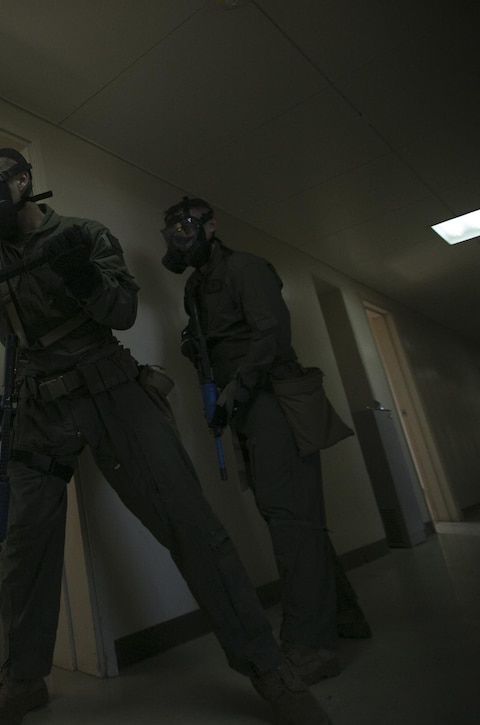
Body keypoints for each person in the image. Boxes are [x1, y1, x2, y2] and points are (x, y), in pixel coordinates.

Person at [0, 148, 332, 725]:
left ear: (23, 182)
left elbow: (124, 310)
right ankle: (23, 680)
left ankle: (269, 670)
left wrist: (81, 276)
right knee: (25, 551)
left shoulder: (83, 234)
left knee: (191, 525)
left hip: (112, 394)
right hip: (36, 408)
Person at [159, 196, 372, 686]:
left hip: (272, 397)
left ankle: (311, 645)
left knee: (291, 520)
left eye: (188, 224)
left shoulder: (247, 268)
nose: (179, 235)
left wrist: (235, 391)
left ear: (212, 225)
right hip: (244, 409)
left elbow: (272, 335)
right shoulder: (195, 287)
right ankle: (345, 617)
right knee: (292, 517)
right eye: (171, 228)